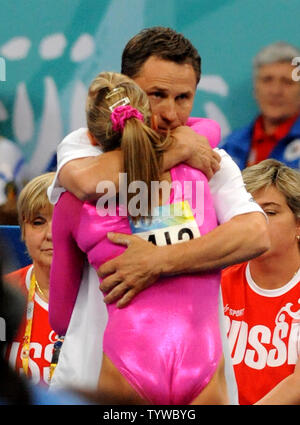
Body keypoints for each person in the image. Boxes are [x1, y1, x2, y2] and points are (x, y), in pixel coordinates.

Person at [48, 27, 269, 398]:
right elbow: (86, 182)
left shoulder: (208, 158)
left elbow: (255, 233)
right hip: (94, 371)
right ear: (127, 89)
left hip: (199, 367)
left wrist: (159, 261)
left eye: (184, 98)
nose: (170, 113)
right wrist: (175, 151)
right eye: (157, 95)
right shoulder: (83, 145)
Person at [221, 159, 300, 405]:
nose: (258, 222)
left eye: (270, 212)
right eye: (249, 212)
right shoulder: (218, 283)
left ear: (299, 223)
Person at [4, 172, 61, 387]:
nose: (51, 234)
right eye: (38, 222)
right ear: (23, 232)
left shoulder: (107, 297)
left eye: (62, 220)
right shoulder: (4, 294)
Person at [220, 41, 300, 170]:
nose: (276, 91)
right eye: (267, 80)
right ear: (255, 88)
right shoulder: (231, 145)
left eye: (287, 82)